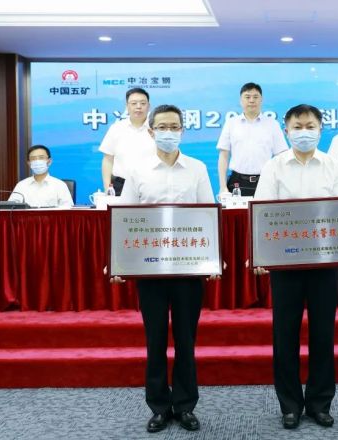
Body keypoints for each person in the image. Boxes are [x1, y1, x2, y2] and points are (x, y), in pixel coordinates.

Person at [253, 104, 338, 429]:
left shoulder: (333, 166)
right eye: (297, 126)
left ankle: (319, 403)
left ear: (320, 129)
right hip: (285, 265)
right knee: (284, 335)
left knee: (323, 335)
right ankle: (290, 405)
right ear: (286, 131)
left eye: (310, 126)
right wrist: (260, 255)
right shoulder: (274, 167)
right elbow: (262, 212)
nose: (304, 132)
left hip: (325, 265)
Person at [114, 104, 216, 433]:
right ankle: (158, 406)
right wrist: (119, 260)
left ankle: (185, 406)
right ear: (151, 131)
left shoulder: (197, 168)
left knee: (186, 340)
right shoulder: (138, 169)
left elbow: (209, 213)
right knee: (155, 339)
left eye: (174, 126)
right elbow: (126, 217)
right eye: (162, 127)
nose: (168, 132)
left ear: (182, 130)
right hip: (151, 270)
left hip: (188, 269)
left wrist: (214, 257)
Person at [216, 82, 288, 196]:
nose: (251, 100)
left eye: (255, 97)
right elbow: (224, 156)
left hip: (266, 181)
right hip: (237, 182)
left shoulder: (272, 124)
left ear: (261, 100)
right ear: (241, 100)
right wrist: (222, 187)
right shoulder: (231, 123)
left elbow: (281, 156)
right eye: (247, 97)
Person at [99, 88, 155, 195]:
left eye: (143, 103)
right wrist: (107, 188)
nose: (138, 106)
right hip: (121, 185)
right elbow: (108, 160)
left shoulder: (157, 128)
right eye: (134, 103)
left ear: (149, 106)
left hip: (152, 184)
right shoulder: (116, 128)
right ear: (127, 106)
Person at [8, 144, 74, 208]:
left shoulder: (60, 185)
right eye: (33, 158)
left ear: (49, 161)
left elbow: (68, 209)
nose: (37, 161)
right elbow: (10, 208)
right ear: (29, 163)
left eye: (41, 157)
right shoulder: (21, 185)